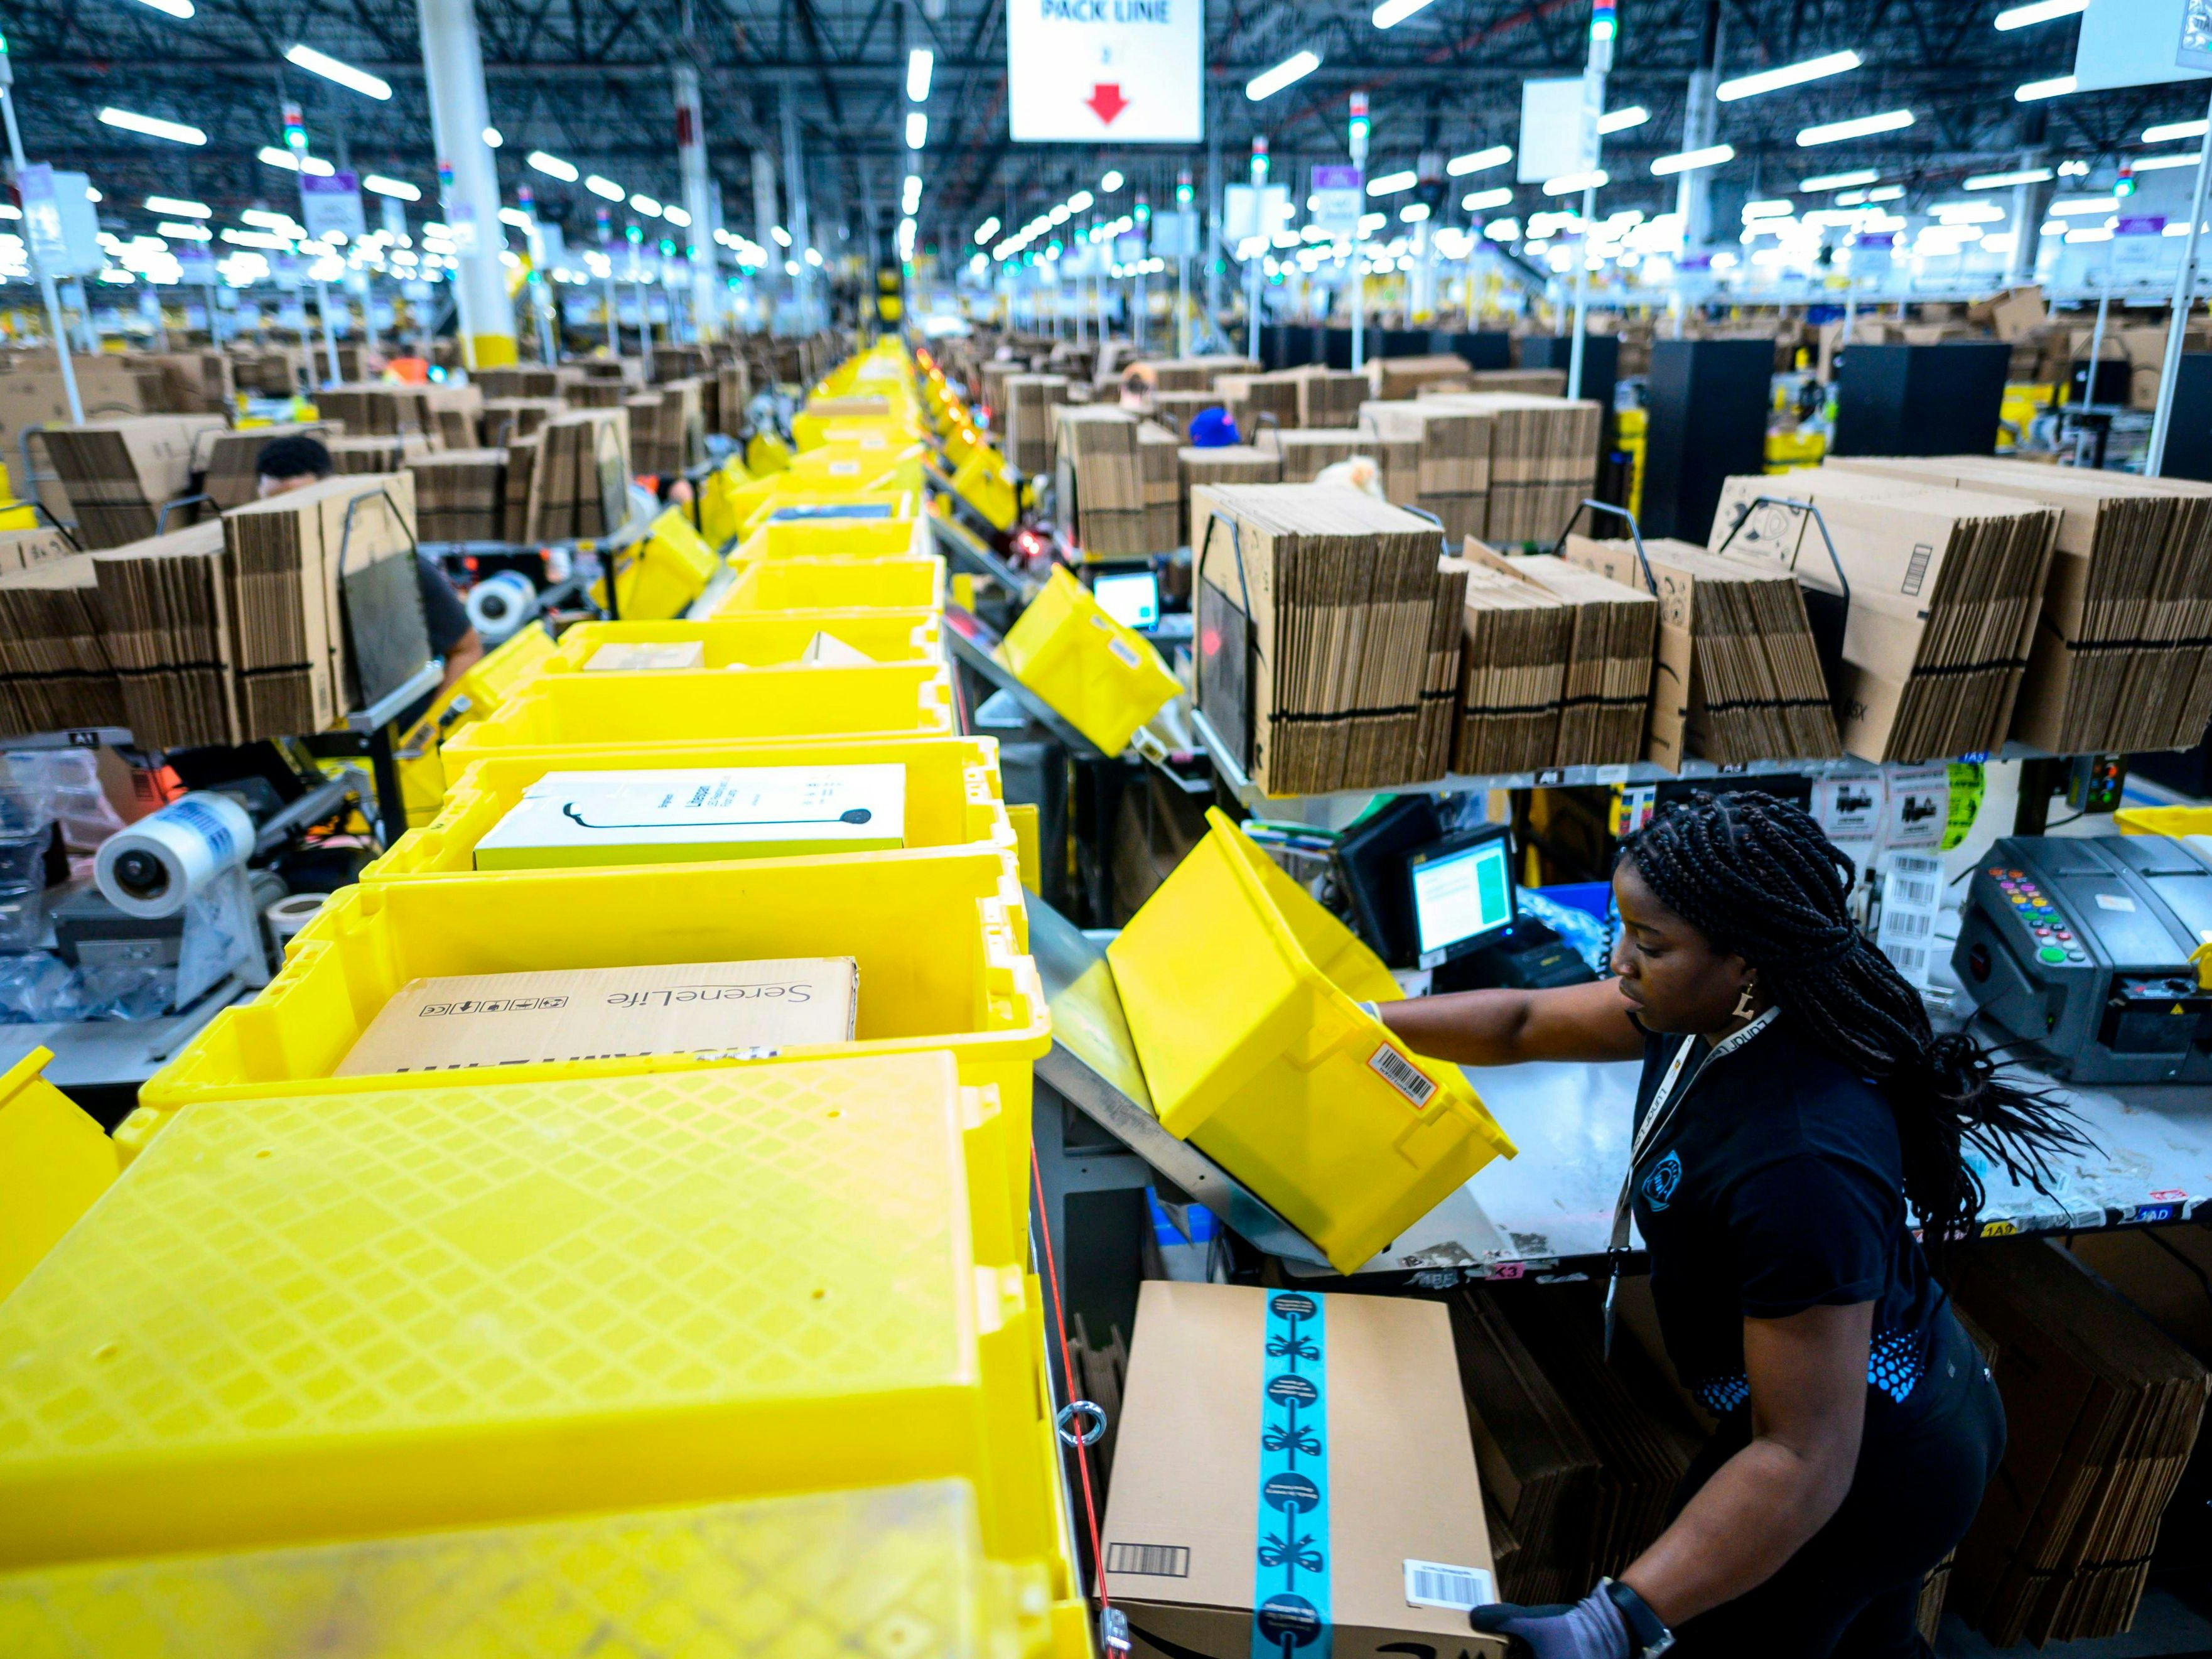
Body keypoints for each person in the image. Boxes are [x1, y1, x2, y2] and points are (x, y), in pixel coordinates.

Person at [1371, 792, 2085, 1659]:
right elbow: (1522, 1023)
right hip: (1874, 1408)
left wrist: (1613, 1620)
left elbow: (1797, 1458)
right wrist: (1356, 1030)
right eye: (1623, 928)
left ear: (1741, 954)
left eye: (1651, 943)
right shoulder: (1710, 1009)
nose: (1620, 961)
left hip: (1870, 1468)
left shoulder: (1797, 1162)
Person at [255, 435, 483, 715]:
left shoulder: (394, 565)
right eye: (271, 510)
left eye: (300, 508)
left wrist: (428, 733)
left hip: (393, 737)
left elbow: (466, 650)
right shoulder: (258, 589)